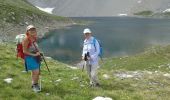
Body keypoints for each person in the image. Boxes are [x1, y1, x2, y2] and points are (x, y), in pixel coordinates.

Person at [22, 25, 41, 92]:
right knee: (36, 72)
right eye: (31, 30)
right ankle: (35, 85)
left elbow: (34, 47)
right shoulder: (26, 39)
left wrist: (38, 52)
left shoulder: (34, 37)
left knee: (35, 72)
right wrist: (34, 54)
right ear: (27, 31)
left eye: (34, 29)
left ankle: (33, 83)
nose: (33, 31)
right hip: (30, 57)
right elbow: (24, 51)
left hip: (35, 57)